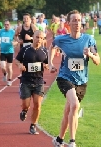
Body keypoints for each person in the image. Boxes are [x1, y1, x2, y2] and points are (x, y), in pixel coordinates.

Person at [48, 10, 100, 147]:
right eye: (74, 20)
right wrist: (50, 63)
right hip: (65, 77)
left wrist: (90, 55)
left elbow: (98, 61)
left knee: (69, 110)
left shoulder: (89, 39)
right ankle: (72, 142)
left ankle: (59, 139)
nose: (77, 23)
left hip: (82, 81)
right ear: (69, 23)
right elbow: (52, 47)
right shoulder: (61, 39)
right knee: (75, 105)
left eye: (79, 20)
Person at [15, 30, 48, 135]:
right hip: (26, 80)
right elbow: (17, 60)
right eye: (37, 37)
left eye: (41, 38)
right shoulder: (25, 50)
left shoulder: (44, 51)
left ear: (43, 40)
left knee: (37, 104)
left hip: (39, 81)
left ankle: (33, 125)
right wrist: (20, 65)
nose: (39, 39)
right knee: (26, 104)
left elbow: (46, 63)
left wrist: (48, 67)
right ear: (33, 37)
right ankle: (24, 111)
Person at [0, 20, 15, 86]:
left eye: (7, 24)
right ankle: (5, 74)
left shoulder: (13, 32)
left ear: (9, 25)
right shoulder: (1, 31)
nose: (6, 26)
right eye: (5, 24)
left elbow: (17, 40)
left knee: (9, 67)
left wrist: (14, 43)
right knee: (3, 67)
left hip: (10, 51)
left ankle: (10, 80)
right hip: (2, 52)